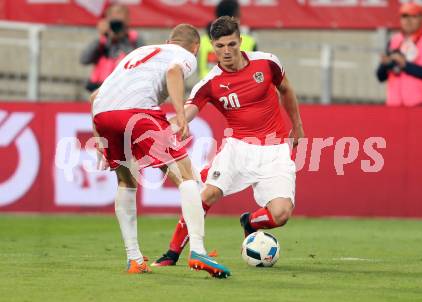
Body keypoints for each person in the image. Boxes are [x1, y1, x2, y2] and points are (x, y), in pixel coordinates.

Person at [152, 16, 304, 266]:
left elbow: (286, 89)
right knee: (207, 194)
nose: (226, 51)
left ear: (240, 41)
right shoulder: (210, 83)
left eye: (231, 44)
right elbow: (189, 109)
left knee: (281, 214)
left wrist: (297, 126)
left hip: (274, 150)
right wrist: (173, 124)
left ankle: (250, 222)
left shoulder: (267, 63)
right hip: (238, 149)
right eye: (220, 46)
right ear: (212, 45)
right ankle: (172, 253)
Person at [90, 24, 230, 278]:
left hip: (102, 114)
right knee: (186, 175)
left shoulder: (139, 52)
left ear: (168, 40)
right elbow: (174, 72)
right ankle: (197, 250)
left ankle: (134, 258)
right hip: (138, 111)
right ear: (196, 47)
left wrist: (99, 138)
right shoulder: (183, 55)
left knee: (126, 180)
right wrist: (180, 115)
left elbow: (96, 97)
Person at [376, 2, 422, 106]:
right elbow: (380, 76)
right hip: (395, 107)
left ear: (421, 18)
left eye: (413, 16)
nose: (408, 21)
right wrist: (385, 64)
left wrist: (405, 65)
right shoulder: (394, 41)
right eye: (405, 17)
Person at [80, 4, 145, 92]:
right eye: (111, 14)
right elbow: (84, 60)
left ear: (128, 19)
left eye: (119, 13)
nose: (115, 16)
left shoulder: (134, 38)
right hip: (100, 89)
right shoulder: (103, 39)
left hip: (127, 88)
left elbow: (142, 63)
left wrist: (122, 39)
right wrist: (104, 38)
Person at [198, 0, 257, 79]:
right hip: (239, 87)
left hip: (208, 86)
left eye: (232, 44)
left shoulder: (202, 41)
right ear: (235, 16)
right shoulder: (249, 41)